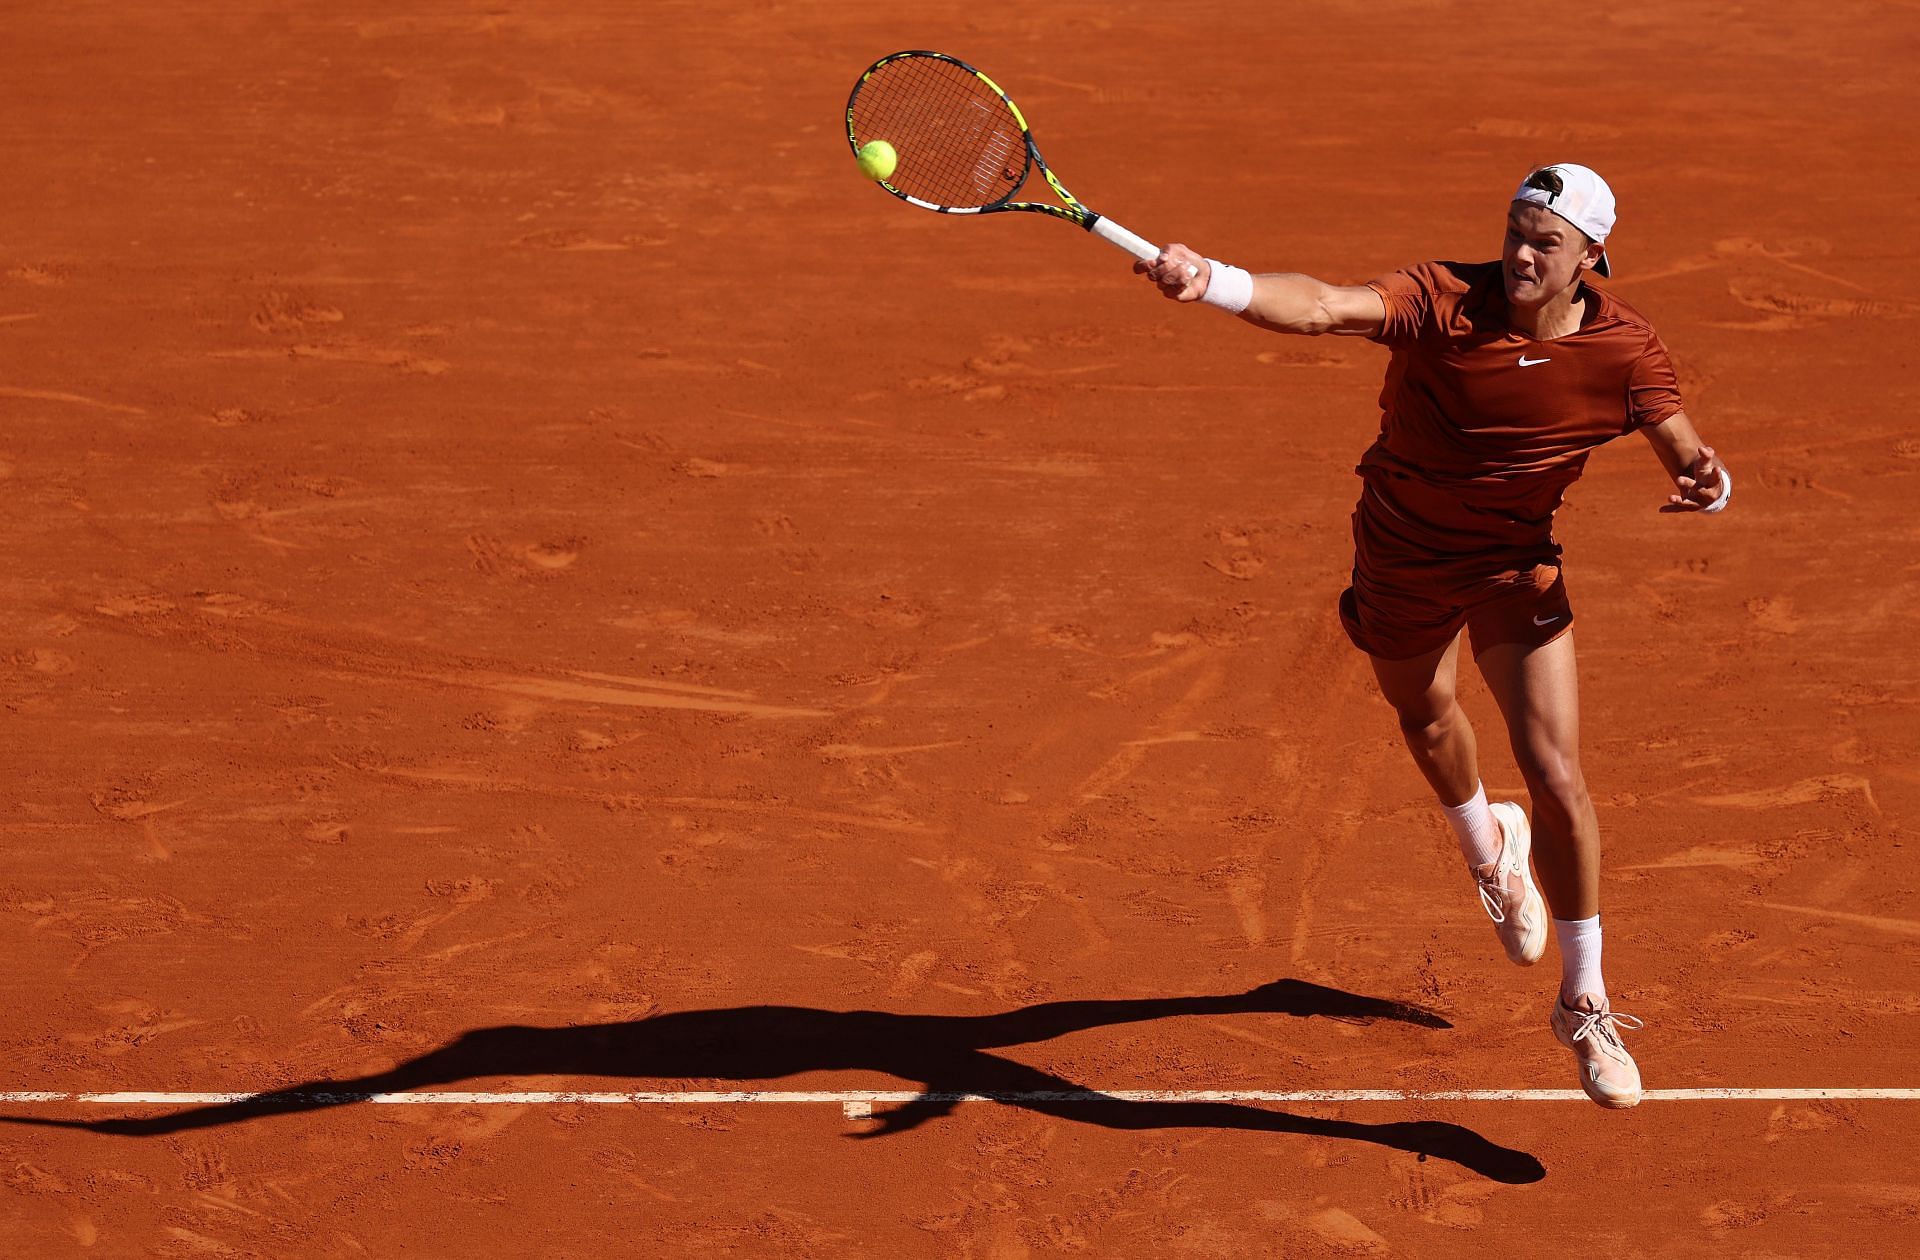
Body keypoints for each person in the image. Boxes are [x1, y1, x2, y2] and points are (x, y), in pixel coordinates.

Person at [1136, 164, 1731, 1108]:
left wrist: (1706, 474)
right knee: (1427, 719)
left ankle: (1585, 1001)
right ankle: (1489, 847)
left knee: (1560, 776)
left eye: (1546, 242)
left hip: (1513, 565)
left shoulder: (1624, 349)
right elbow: (1325, 307)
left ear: (1591, 258)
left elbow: (1679, 438)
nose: (1522, 254)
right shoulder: (1441, 298)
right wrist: (1215, 280)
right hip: (1403, 552)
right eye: (1516, 232)